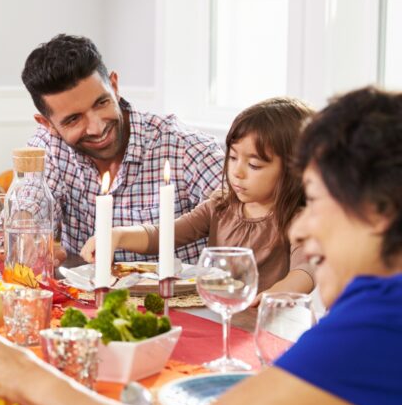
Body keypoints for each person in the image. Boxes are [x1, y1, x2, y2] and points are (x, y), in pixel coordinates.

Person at [0, 86, 402, 405]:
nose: (300, 226)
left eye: (316, 202)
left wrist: (23, 377)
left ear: (378, 212)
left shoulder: (383, 324)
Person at [80, 97, 316, 299]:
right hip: (219, 313)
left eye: (254, 164)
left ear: (294, 170)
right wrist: (117, 235)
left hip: (265, 322)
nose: (237, 172)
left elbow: (305, 271)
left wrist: (274, 295)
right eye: (232, 158)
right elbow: (165, 234)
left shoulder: (298, 220)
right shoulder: (221, 204)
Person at [23, 34, 225, 264]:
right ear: (48, 124)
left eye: (101, 103)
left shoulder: (183, 147)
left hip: (176, 298)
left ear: (115, 86)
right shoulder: (48, 147)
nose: (97, 127)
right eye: (73, 120)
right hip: (84, 298)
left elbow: (251, 211)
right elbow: (29, 203)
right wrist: (27, 235)